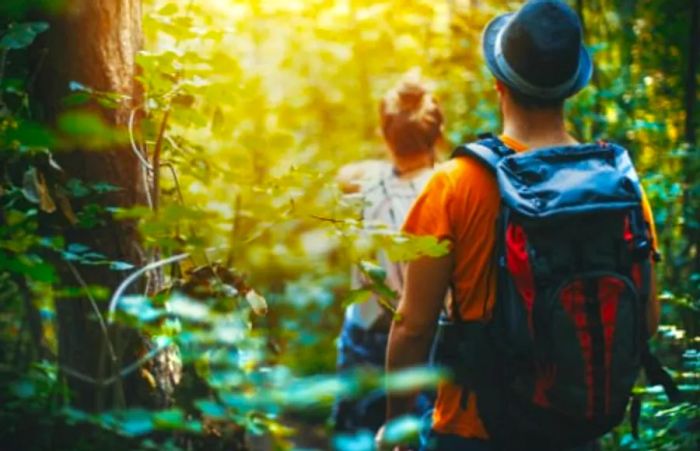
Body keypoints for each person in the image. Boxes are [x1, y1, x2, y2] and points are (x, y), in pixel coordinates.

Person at [378, 1, 661, 450]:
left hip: (475, 429)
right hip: (575, 427)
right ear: (571, 89)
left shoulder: (457, 183)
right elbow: (646, 321)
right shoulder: (618, 183)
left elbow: (414, 327)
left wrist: (395, 429)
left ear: (498, 84)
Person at [333, 75, 444, 435]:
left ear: (385, 134)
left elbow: (345, 173)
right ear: (436, 135)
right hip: (425, 341)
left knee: (357, 436)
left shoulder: (361, 182)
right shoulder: (446, 189)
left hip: (364, 336)